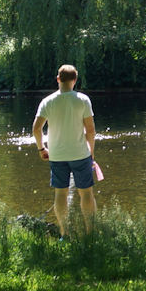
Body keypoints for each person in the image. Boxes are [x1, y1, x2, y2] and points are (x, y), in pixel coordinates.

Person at [33, 64, 97, 237]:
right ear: (75, 80)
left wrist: (41, 148)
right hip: (80, 154)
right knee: (86, 194)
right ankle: (90, 233)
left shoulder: (47, 101)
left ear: (58, 79)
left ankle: (64, 233)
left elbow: (36, 129)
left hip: (57, 155)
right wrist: (91, 153)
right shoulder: (83, 100)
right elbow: (90, 131)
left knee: (60, 193)